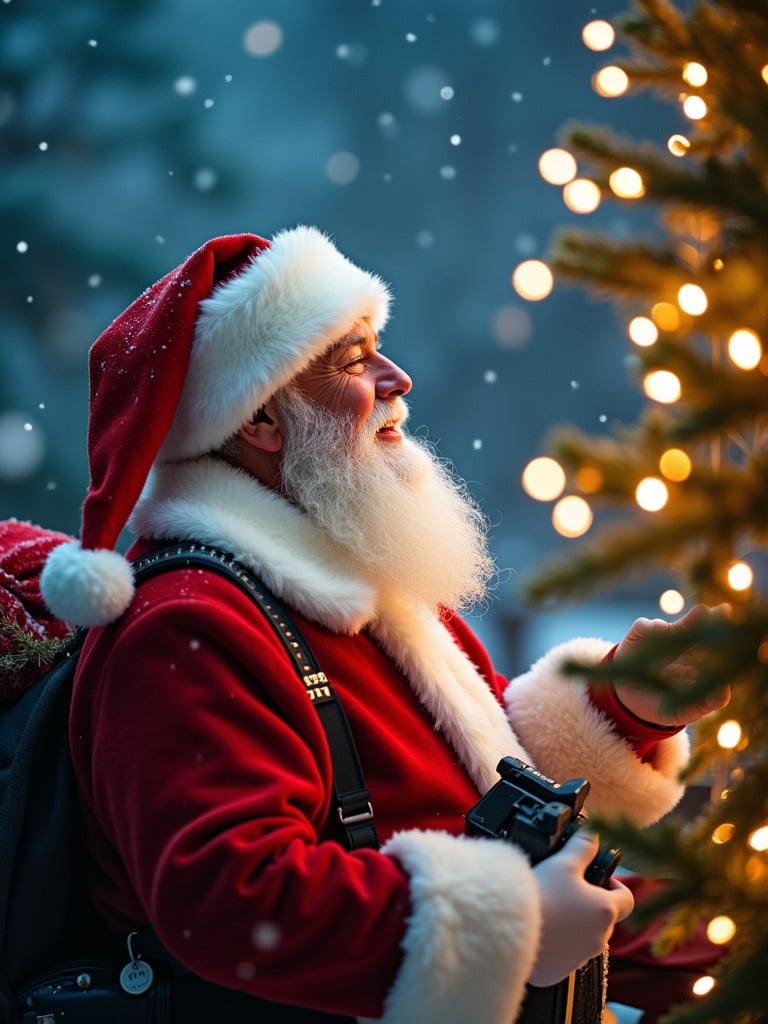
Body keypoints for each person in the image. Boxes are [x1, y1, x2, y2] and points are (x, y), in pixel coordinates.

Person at [40, 226, 728, 1024]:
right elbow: (230, 898)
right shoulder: (191, 625)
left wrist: (623, 708)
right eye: (352, 358)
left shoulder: (364, 594)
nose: (397, 378)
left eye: (381, 347)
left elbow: (477, 783)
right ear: (260, 417)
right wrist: (516, 925)